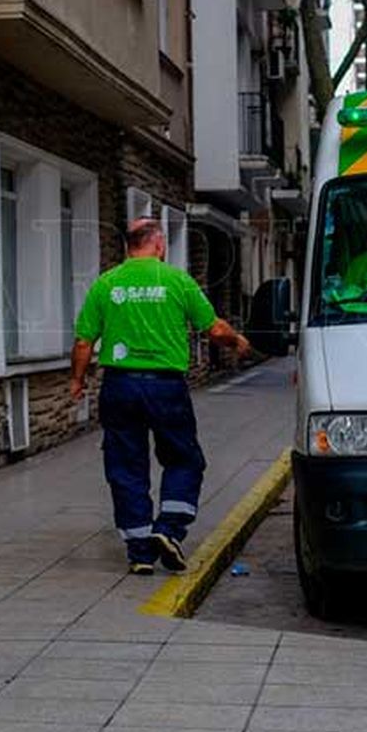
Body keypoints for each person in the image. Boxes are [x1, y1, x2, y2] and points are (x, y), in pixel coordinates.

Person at [70, 218, 252, 576]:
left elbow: (83, 342)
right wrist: (237, 341)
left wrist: (77, 380)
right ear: (159, 245)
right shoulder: (176, 281)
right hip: (166, 387)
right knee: (184, 458)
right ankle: (168, 529)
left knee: (125, 465)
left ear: (128, 246)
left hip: (119, 386)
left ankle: (139, 551)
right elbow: (214, 328)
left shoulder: (106, 284)